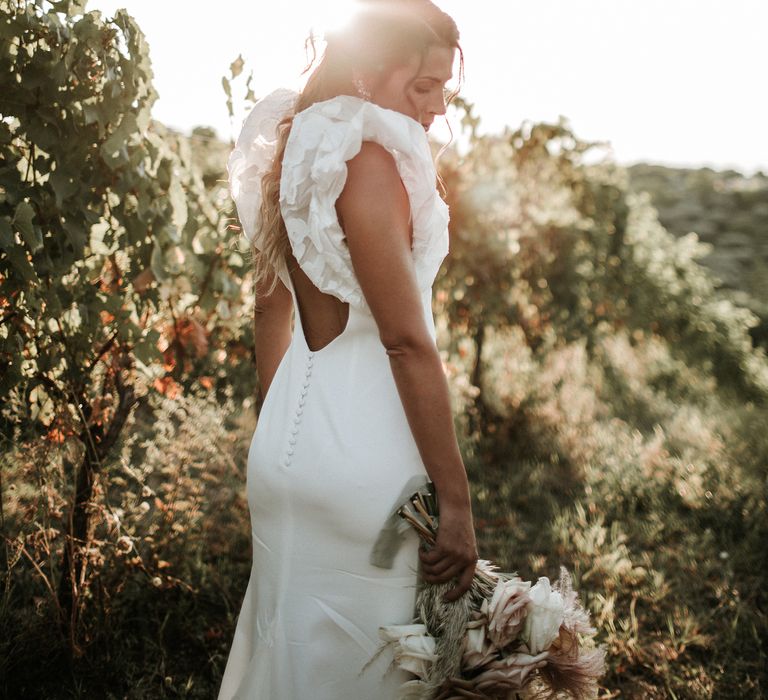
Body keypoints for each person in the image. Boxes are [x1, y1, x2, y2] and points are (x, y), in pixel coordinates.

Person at [218, 1, 477, 697]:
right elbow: (405, 344)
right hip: (369, 467)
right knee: (367, 673)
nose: (433, 110)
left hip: (284, 454)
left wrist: (283, 429)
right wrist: (456, 505)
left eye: (443, 92)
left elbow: (271, 302)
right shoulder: (370, 164)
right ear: (364, 72)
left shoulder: (296, 149)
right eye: (420, 88)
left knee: (283, 652)